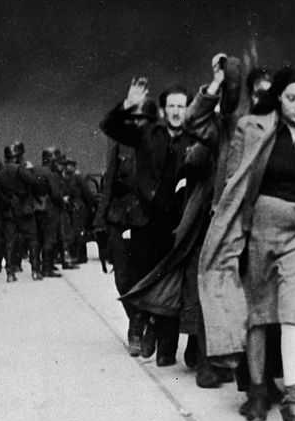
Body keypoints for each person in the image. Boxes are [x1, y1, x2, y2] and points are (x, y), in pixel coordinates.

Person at [199, 53, 295, 421]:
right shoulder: (250, 127)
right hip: (259, 231)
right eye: (290, 98)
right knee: (258, 314)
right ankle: (257, 390)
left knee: (291, 311)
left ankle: (293, 397)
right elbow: (232, 183)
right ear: (278, 97)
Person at [123, 53, 242, 387]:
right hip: (203, 219)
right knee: (198, 284)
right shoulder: (211, 129)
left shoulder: (251, 126)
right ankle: (201, 353)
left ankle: (214, 353)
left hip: (240, 219)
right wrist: (215, 82)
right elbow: (193, 124)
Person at [101, 81, 197, 367]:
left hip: (180, 222)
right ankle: (147, 325)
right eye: (172, 106)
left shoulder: (194, 138)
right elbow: (112, 127)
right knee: (143, 278)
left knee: (173, 283)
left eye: (182, 106)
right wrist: (128, 104)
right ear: (164, 110)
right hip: (146, 220)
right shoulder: (148, 134)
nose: (177, 112)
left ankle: (166, 346)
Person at [93, 137, 146, 353]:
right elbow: (107, 188)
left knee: (143, 276)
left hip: (147, 220)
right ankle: (135, 321)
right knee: (122, 279)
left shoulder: (154, 142)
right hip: (119, 218)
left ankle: (141, 327)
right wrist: (99, 221)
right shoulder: (118, 146)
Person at [0, 141, 40, 282]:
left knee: (10, 242)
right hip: (24, 210)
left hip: (9, 211)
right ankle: (35, 271)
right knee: (33, 240)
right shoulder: (21, 170)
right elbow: (34, 182)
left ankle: (10, 272)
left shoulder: (0, 173)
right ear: (17, 156)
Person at [31, 148, 65, 277]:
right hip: (50, 210)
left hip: (36, 208)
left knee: (38, 239)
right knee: (49, 239)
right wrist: (62, 204)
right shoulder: (51, 174)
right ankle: (47, 268)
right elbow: (56, 194)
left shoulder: (34, 171)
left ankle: (37, 267)